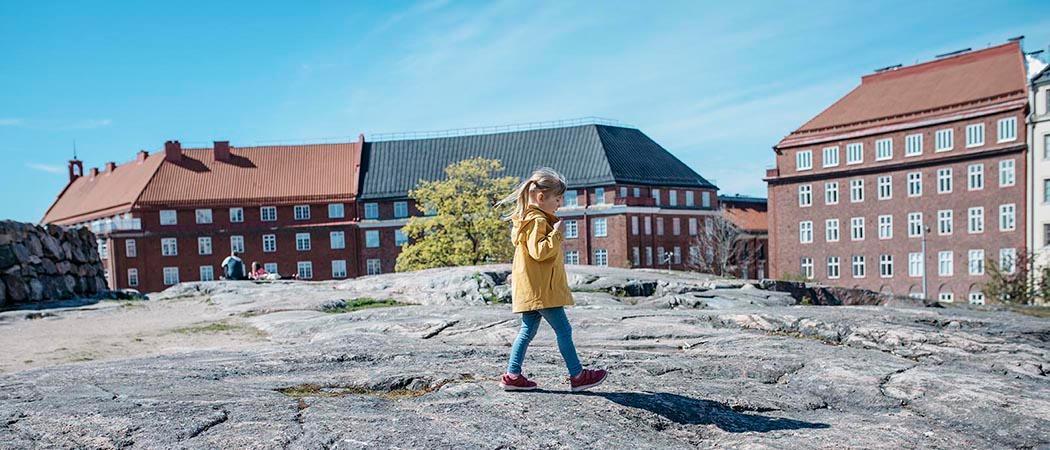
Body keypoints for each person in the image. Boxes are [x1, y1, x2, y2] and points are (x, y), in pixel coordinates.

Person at [494, 167, 608, 392]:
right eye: (557, 199)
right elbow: (539, 252)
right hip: (542, 289)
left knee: (527, 330)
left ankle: (512, 376)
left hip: (533, 287)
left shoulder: (528, 219)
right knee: (564, 330)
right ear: (540, 198)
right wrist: (556, 233)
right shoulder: (537, 221)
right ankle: (577, 375)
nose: (559, 204)